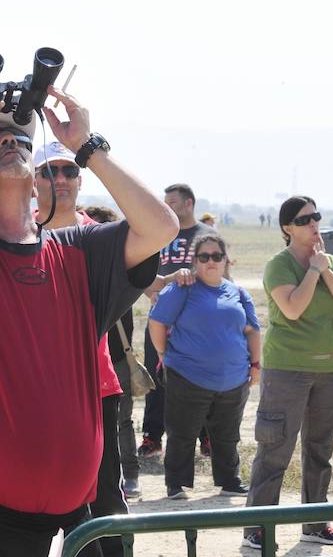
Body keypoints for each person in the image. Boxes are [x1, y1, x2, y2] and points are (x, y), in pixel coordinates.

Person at [0, 67, 177, 557]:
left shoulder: (78, 252)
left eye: (21, 138)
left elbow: (160, 227)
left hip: (74, 523)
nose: (9, 140)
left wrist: (86, 147)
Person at [242, 196, 333, 550]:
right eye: (304, 219)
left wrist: (325, 269)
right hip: (287, 369)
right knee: (275, 449)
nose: (313, 223)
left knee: (320, 450)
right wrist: (312, 271)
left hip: (330, 368)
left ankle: (315, 524)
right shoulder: (279, 265)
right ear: (287, 228)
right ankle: (258, 528)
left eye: (316, 217)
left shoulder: (332, 262)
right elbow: (292, 308)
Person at [33, 142, 126, 557]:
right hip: (32, 388)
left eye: (68, 170)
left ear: (80, 179)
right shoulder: (15, 232)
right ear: (32, 181)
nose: (60, 179)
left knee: (104, 498)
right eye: (49, 171)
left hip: (95, 384)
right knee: (31, 495)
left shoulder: (100, 236)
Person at [148, 233, 260, 500]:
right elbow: (157, 321)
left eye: (217, 256)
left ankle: (230, 481)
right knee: (182, 432)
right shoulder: (182, 288)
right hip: (187, 375)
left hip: (234, 379)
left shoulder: (238, 292)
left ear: (226, 260)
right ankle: (176, 484)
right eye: (204, 256)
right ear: (195, 261)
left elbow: (252, 331)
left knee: (228, 434)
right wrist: (164, 353)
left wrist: (256, 364)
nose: (211, 261)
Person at [138, 183, 215, 459]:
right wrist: (153, 294)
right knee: (156, 377)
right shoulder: (159, 234)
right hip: (161, 319)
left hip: (196, 320)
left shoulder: (207, 235)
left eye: (171, 202)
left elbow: (221, 275)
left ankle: (207, 436)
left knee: (201, 378)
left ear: (188, 204)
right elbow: (143, 275)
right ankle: (152, 436)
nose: (166, 207)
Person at [85, 206, 141, 501]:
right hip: (83, 363)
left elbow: (153, 281)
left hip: (115, 362)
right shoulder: (78, 267)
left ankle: (130, 475)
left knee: (122, 423)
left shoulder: (121, 272)